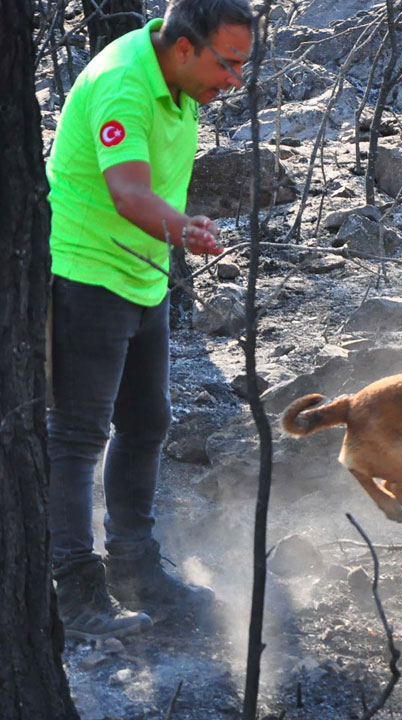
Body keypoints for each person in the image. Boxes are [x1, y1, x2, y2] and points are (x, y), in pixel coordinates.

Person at [46, 0, 253, 641]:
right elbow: (129, 192)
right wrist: (183, 230)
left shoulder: (182, 83)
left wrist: (175, 234)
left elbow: (154, 191)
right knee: (78, 438)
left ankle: (134, 571)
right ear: (184, 47)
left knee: (146, 420)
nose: (235, 81)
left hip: (142, 275)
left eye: (243, 65)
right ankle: (74, 591)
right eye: (228, 64)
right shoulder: (122, 83)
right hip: (83, 273)